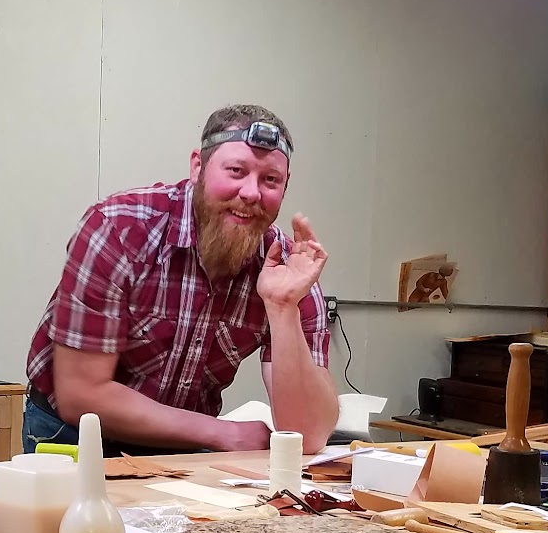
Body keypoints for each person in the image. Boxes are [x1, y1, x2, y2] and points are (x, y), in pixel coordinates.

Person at [25, 104, 338, 454]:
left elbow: (309, 435)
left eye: (270, 180)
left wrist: (283, 309)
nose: (251, 193)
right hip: (75, 435)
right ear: (197, 167)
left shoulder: (287, 267)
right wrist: (222, 434)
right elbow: (81, 394)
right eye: (236, 171)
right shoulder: (118, 229)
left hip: (182, 445)